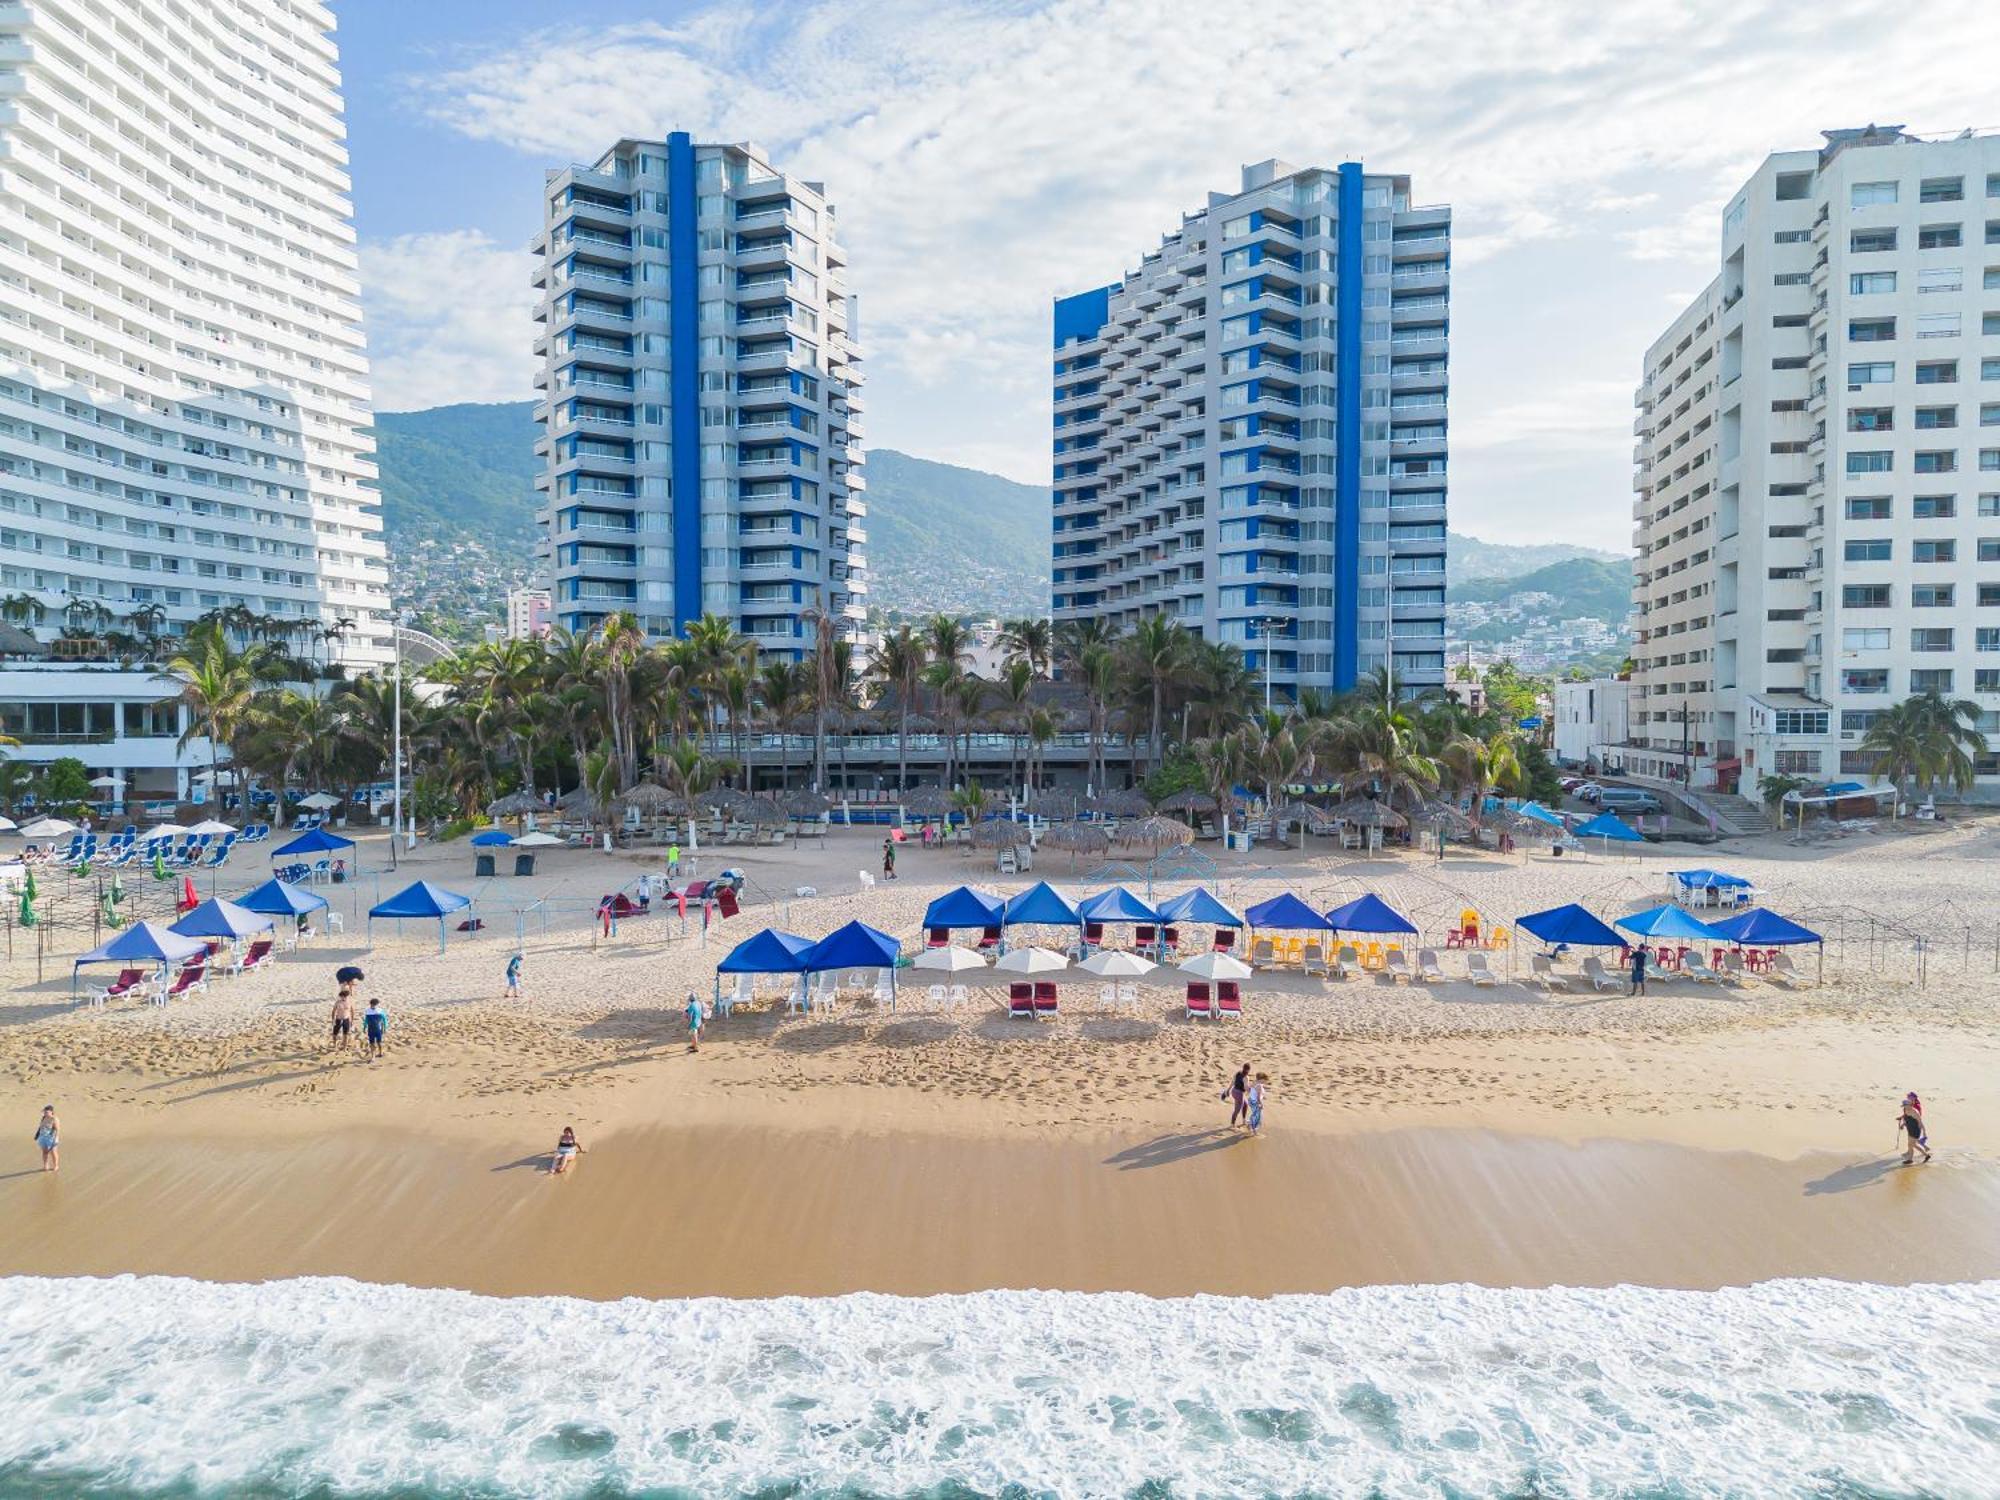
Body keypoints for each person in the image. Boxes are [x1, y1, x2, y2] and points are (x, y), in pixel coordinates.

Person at [1899, 1091, 1932, 1165]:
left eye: (1905, 1105)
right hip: (1910, 1129)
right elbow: (1907, 1118)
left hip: (1915, 1130)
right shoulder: (1906, 1110)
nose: (1904, 1107)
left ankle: (1913, 1159)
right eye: (1904, 1105)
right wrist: (1903, 1124)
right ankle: (1924, 1156)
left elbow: (1920, 1122)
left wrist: (1924, 1132)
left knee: (1912, 1145)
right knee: (1911, 1145)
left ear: (1910, 1104)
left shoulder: (1915, 1112)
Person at [1223, 1062, 1251, 1129]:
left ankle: (1244, 1121)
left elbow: (1233, 1082)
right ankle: (1232, 1125)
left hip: (1234, 1091)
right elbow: (1246, 1088)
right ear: (1249, 1070)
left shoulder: (1238, 1073)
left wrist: (1228, 1090)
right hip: (1239, 1094)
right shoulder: (1246, 1077)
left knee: (1245, 1104)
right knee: (1237, 1110)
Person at [33, 1105, 58, 1173]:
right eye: (44, 1112)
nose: (45, 1113)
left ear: (51, 1112)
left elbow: (57, 1130)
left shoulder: (54, 1119)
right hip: (42, 1137)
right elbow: (40, 1127)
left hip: (51, 1138)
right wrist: (37, 1135)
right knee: (44, 1152)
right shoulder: (43, 1117)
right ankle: (46, 1165)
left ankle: (55, 1165)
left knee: (53, 1152)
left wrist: (54, 1139)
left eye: (46, 1112)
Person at [330, 987, 354, 1051]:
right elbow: (333, 1011)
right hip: (338, 1019)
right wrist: (333, 1020)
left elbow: (352, 1011)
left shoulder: (349, 1002)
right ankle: (335, 1045)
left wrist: (352, 1020)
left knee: (345, 1034)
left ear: (347, 996)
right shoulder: (338, 1002)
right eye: (342, 997)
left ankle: (345, 1047)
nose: (343, 998)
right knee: (335, 1033)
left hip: (346, 1019)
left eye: (344, 997)